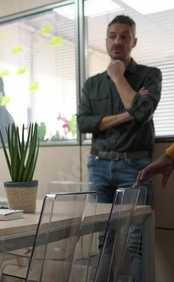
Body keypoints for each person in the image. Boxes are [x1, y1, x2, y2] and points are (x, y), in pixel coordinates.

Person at [77, 15, 162, 282]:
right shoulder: (92, 84)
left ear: (133, 41)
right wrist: (129, 114)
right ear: (105, 40)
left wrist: (117, 77)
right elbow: (83, 123)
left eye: (124, 36)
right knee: (106, 238)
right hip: (99, 165)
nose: (117, 41)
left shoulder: (150, 75)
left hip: (135, 166)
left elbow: (144, 112)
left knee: (138, 240)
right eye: (112, 35)